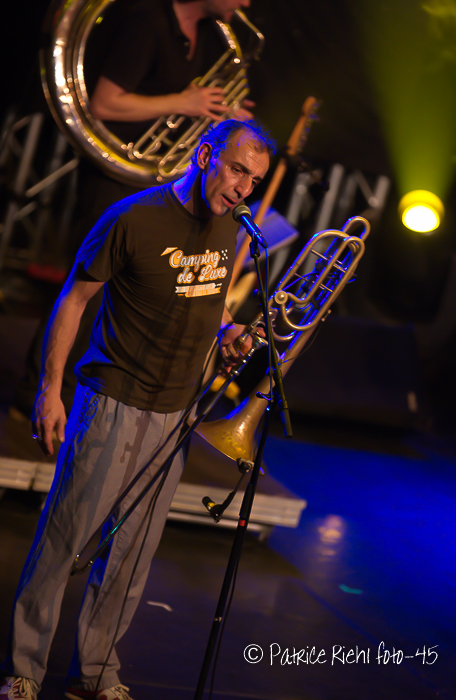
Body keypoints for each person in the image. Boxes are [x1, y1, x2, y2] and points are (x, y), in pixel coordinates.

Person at [0, 118, 273, 700]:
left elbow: (209, 298)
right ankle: (24, 669)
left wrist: (227, 331)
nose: (244, 188)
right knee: (65, 539)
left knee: (132, 553)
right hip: (113, 399)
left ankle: (96, 673)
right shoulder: (132, 217)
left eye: (254, 179)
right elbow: (72, 300)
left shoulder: (231, 225)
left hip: (177, 412)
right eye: (237, 170)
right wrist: (50, 389)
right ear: (204, 155)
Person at [14, 0, 256, 419]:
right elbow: (105, 103)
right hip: (115, 182)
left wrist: (223, 123)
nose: (246, 3)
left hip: (154, 185)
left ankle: (88, 399)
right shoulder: (148, 24)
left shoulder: (202, 38)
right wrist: (183, 101)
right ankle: (40, 397)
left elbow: (187, 113)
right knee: (85, 293)